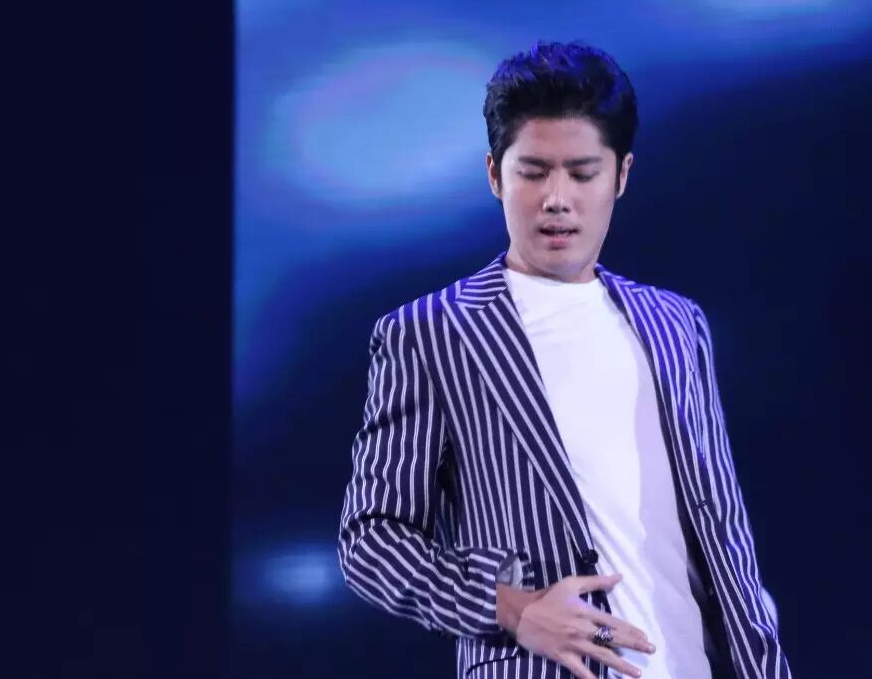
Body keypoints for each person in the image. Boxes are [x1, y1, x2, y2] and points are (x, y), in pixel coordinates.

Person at [337, 41, 792, 678]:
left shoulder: (676, 324)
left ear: (621, 176)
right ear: (494, 175)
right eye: (533, 172)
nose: (557, 198)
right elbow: (371, 540)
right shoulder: (431, 334)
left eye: (582, 174)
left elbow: (724, 533)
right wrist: (513, 608)